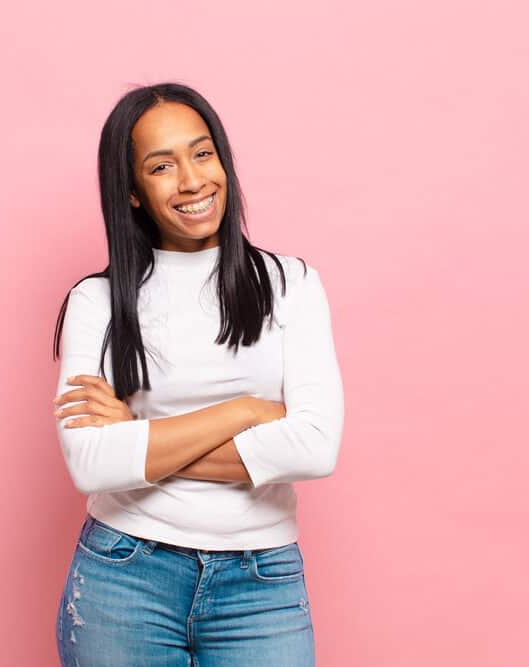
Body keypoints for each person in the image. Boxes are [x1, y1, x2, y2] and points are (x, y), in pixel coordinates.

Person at [51, 82, 345, 666]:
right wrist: (245, 412)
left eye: (202, 153)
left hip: (261, 585)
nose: (191, 181)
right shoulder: (98, 301)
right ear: (132, 192)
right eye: (162, 166)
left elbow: (314, 449)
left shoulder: (292, 285)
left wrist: (138, 431)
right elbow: (91, 463)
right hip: (124, 575)